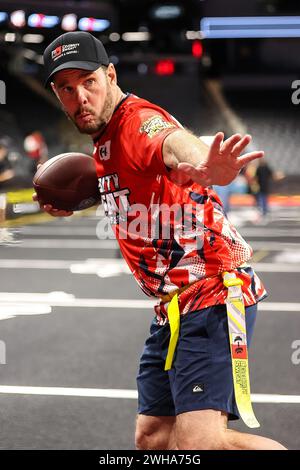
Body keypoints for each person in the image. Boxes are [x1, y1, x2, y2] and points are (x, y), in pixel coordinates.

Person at [34, 31, 286, 450]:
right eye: (66, 88)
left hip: (213, 292)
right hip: (171, 307)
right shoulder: (103, 145)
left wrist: (205, 162)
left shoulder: (138, 122)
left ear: (111, 76)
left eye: (89, 82)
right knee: (153, 438)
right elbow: (138, 198)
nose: (80, 97)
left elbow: (170, 142)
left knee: (199, 444)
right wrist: (71, 200)